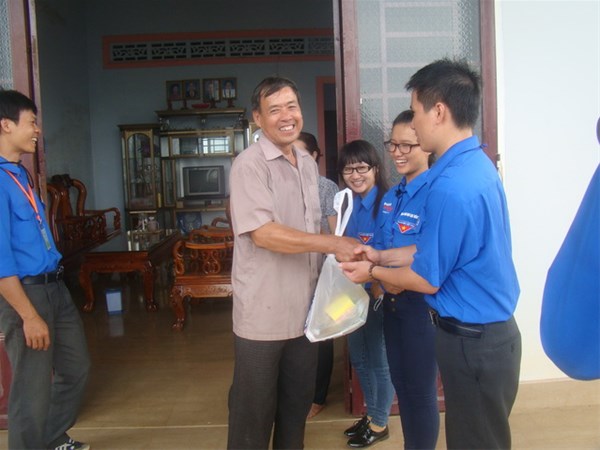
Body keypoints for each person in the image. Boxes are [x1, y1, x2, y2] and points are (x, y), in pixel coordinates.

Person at [340, 58, 522, 450]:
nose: (415, 124)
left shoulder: (451, 185)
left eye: (417, 111)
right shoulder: (475, 166)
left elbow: (426, 277)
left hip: (473, 340)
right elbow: (434, 250)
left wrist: (372, 272)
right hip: (482, 337)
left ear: (438, 111)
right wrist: (380, 257)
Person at [227, 76, 359, 449]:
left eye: (292, 106)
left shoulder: (305, 162)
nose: (286, 116)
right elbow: (263, 234)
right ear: (257, 118)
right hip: (263, 316)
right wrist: (332, 243)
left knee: (295, 411)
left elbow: (311, 226)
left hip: (305, 315)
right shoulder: (249, 165)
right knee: (252, 419)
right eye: (274, 110)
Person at [0, 90, 91, 450]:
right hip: (26, 293)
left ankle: (52, 439)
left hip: (54, 286)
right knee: (31, 386)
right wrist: (28, 316)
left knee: (76, 367)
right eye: (32, 122)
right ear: (5, 125)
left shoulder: (19, 174)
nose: (37, 130)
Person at [377, 110, 439, 449]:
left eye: (406, 145)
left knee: (421, 391)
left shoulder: (436, 194)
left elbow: (432, 251)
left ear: (425, 146)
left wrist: (385, 272)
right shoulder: (391, 197)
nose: (397, 153)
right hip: (392, 305)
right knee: (402, 387)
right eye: (392, 144)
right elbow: (381, 247)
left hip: (420, 307)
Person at [338, 140, 394, 448]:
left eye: (362, 168)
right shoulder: (349, 203)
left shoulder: (387, 203)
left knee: (377, 359)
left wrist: (377, 282)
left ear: (375, 169)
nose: (356, 175)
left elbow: (392, 251)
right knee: (358, 355)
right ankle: (371, 414)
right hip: (352, 292)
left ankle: (380, 422)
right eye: (349, 169)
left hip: (376, 292)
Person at [294, 131, 338, 419]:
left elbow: (336, 234)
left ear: (314, 155)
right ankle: (297, 391)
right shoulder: (284, 185)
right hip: (293, 270)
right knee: (296, 334)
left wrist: (311, 238)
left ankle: (317, 396)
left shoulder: (326, 187)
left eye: (301, 154)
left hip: (321, 271)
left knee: (320, 333)